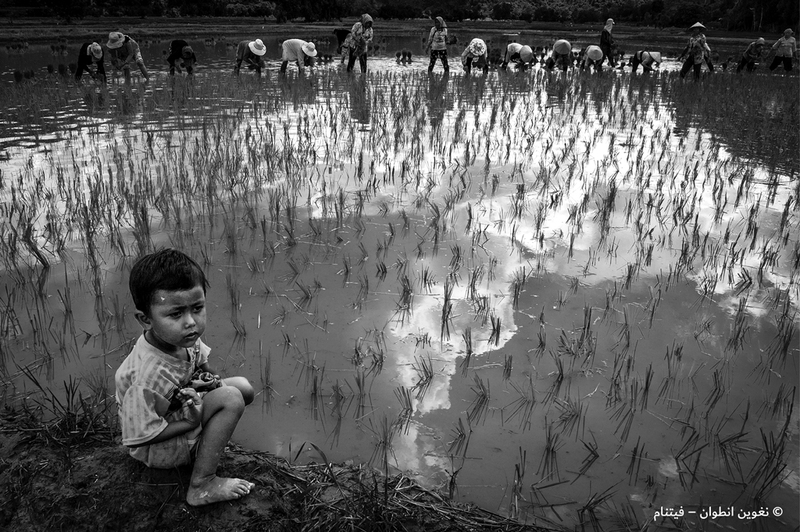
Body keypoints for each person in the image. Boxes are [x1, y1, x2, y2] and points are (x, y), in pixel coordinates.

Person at [115, 248, 256, 507]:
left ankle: (205, 442)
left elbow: (203, 364)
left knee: (242, 388)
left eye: (197, 308)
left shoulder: (181, 337)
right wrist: (191, 423)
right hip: (159, 448)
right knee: (232, 399)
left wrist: (211, 380)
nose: (191, 322)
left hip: (181, 410)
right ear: (146, 319)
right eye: (176, 314)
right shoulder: (146, 376)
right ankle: (202, 484)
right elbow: (138, 436)